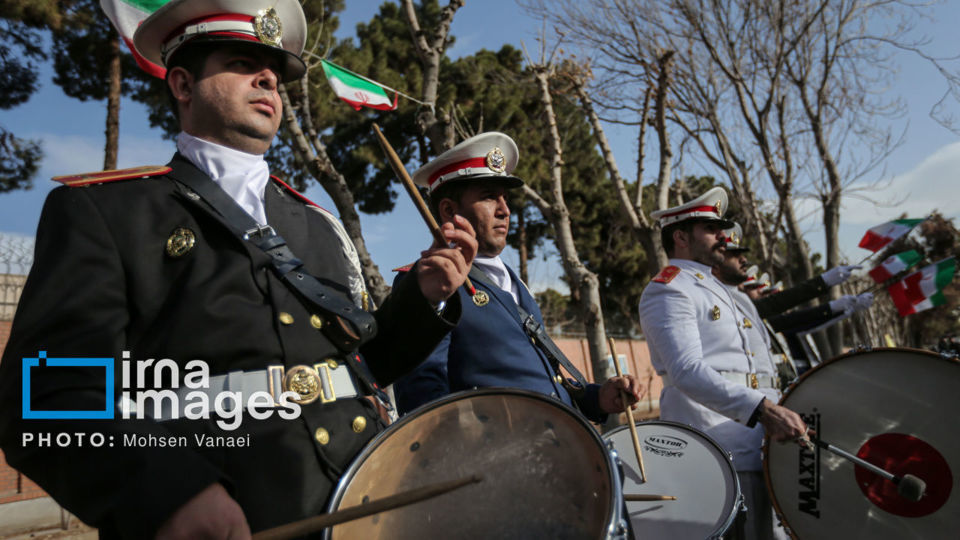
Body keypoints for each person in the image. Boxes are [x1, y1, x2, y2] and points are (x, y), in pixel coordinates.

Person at [0, 1, 476, 538]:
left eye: (274, 71)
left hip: (366, 501)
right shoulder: (106, 212)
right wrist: (168, 493)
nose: (269, 78)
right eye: (242, 62)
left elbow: (362, 368)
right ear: (182, 84)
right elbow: (49, 399)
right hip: (227, 516)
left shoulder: (317, 224)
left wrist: (424, 296)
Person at [392, 132, 642, 422]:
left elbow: (542, 383)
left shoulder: (514, 282)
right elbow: (422, 399)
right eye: (488, 197)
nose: (505, 210)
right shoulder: (429, 282)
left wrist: (595, 397)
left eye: (506, 198)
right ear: (449, 210)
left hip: (559, 447)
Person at [637, 188, 807, 540]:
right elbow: (686, 370)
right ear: (681, 237)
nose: (723, 236)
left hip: (762, 444)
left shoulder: (730, 293)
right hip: (718, 448)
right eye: (711, 229)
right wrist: (762, 410)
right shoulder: (670, 288)